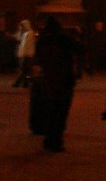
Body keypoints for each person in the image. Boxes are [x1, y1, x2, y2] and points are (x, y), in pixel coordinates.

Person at [34, 15, 79, 152]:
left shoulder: (41, 42)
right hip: (64, 82)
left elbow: (39, 60)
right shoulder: (64, 40)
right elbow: (80, 49)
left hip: (48, 82)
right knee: (60, 113)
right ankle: (56, 141)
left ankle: (49, 140)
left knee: (50, 111)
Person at [13, 19, 36, 87]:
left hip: (27, 55)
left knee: (25, 70)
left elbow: (26, 45)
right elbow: (19, 39)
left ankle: (19, 83)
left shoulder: (29, 33)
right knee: (26, 70)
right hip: (26, 55)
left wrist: (23, 53)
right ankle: (25, 83)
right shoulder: (25, 33)